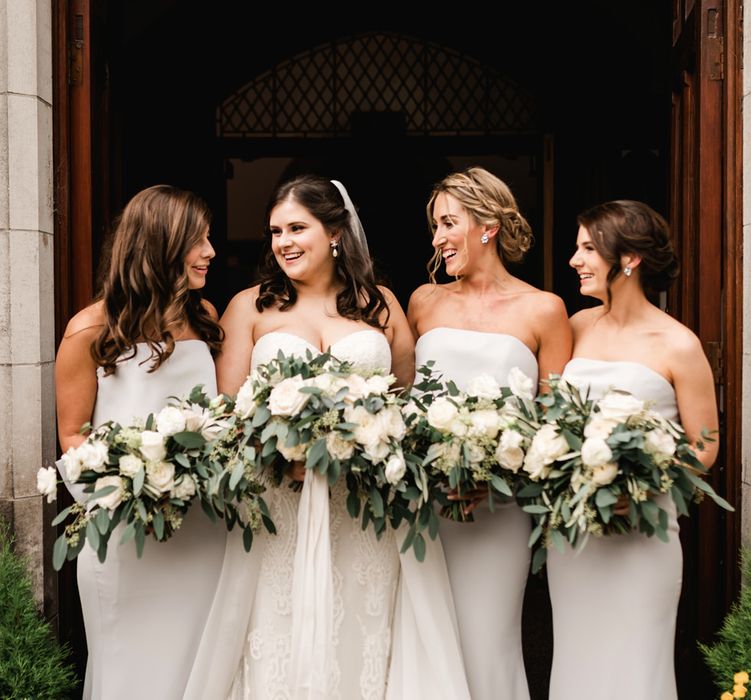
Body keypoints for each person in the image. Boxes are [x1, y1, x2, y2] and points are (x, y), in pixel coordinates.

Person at [185, 175, 470, 700]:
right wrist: (274, 455)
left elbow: (405, 403)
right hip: (278, 511)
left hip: (364, 511)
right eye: (275, 231)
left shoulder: (380, 305)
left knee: (362, 633)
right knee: (277, 632)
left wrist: (367, 443)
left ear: (336, 232)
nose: (283, 242)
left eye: (298, 227)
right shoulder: (250, 307)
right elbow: (223, 417)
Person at [54, 184, 227, 699]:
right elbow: (72, 434)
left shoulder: (206, 319)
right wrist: (121, 494)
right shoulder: (89, 330)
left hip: (201, 531)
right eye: (199, 240)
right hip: (126, 534)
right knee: (128, 672)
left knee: (200, 667)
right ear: (161, 245)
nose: (211, 252)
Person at [407, 166, 573, 700]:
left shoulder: (545, 310)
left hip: (501, 511)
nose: (436, 238)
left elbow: (557, 426)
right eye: (434, 225)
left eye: (448, 223)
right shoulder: (423, 302)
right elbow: (401, 403)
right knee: (422, 641)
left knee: (489, 640)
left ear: (487, 226)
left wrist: (504, 467)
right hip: (424, 509)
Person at [546, 200, 720, 699]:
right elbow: (551, 418)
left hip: (644, 534)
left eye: (587, 248)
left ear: (629, 259)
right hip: (576, 536)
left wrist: (639, 482)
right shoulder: (577, 326)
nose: (575, 260)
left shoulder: (678, 344)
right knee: (579, 659)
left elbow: (704, 447)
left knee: (637, 665)